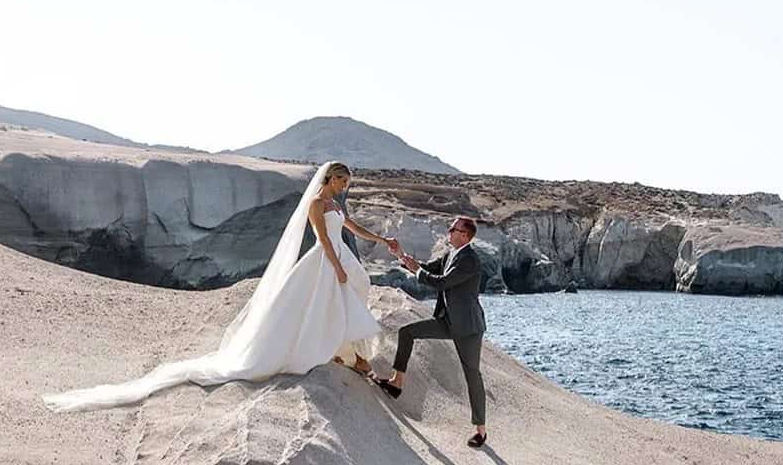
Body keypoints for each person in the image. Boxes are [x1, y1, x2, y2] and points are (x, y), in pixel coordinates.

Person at [42, 162, 401, 410]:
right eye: (343, 182)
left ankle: (346, 351)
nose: (345, 188)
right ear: (331, 180)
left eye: (347, 184)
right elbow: (322, 239)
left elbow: (350, 229)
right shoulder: (315, 203)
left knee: (353, 294)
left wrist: (382, 240)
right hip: (326, 261)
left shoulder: (335, 204)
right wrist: (336, 266)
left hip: (339, 257)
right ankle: (350, 356)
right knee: (330, 302)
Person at [375, 217, 488, 447]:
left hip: (467, 328)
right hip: (447, 321)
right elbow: (425, 269)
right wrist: (401, 256)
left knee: (472, 375)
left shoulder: (469, 260)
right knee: (407, 332)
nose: (449, 231)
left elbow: (441, 282)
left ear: (465, 235)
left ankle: (481, 430)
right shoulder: (450, 255)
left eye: (453, 229)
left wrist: (417, 270)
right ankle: (397, 383)